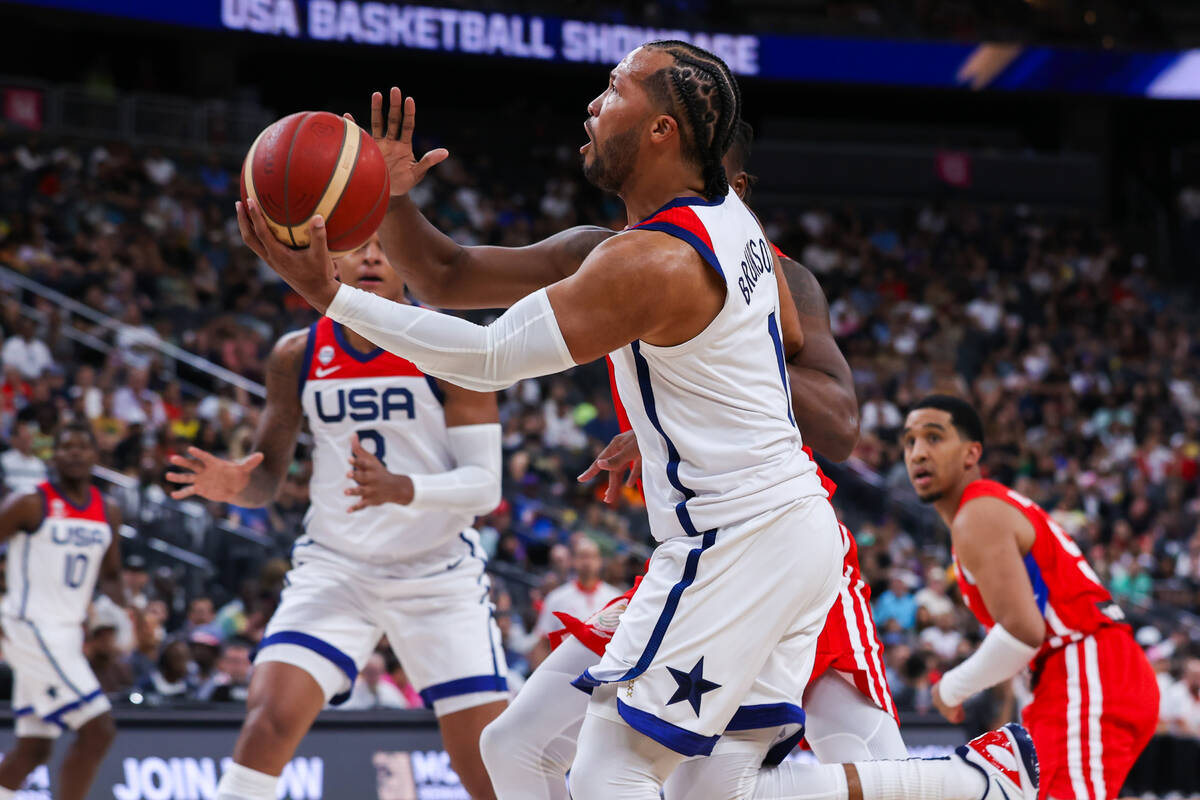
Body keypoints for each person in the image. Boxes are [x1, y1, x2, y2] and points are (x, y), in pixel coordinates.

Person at [237, 42, 1035, 800]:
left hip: (739, 538)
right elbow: (447, 276)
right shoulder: (718, 231)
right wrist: (397, 202)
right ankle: (972, 782)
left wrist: (332, 297)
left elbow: (486, 360)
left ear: (663, 130)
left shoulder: (654, 262)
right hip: (780, 532)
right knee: (711, 788)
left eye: (614, 88)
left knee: (608, 769)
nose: (591, 103)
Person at [166, 235, 507, 800]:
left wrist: (403, 488)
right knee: (268, 722)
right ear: (329, 260)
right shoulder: (295, 353)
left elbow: (485, 487)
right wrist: (235, 484)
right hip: (337, 567)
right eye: (356, 245)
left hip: (437, 574)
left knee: (487, 764)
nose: (372, 256)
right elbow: (266, 478)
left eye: (386, 246)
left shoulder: (451, 346)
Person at [902, 394, 1160, 800]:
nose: (918, 453)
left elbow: (1024, 632)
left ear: (972, 453)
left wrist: (950, 689)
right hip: (1085, 671)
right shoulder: (988, 510)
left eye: (934, 438)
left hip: (1082, 666)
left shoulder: (977, 514)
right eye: (909, 441)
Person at [0, 422, 127, 800]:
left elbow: (112, 573)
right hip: (30, 627)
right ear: (52, 455)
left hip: (69, 634)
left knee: (35, 748)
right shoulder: (29, 502)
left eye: (82, 446)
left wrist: (126, 609)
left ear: (95, 455)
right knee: (99, 729)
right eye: (66, 446)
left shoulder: (109, 510)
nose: (74, 452)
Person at [530, 536, 621, 665]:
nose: (587, 562)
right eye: (583, 556)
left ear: (600, 561)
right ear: (573, 561)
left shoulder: (615, 598)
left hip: (602, 669)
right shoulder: (556, 598)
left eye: (592, 557)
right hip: (566, 668)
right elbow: (542, 643)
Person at [1, 420, 48, 495]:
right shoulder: (3, 460)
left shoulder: (40, 464)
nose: (28, 440)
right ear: (13, 439)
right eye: (24, 437)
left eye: (30, 437)